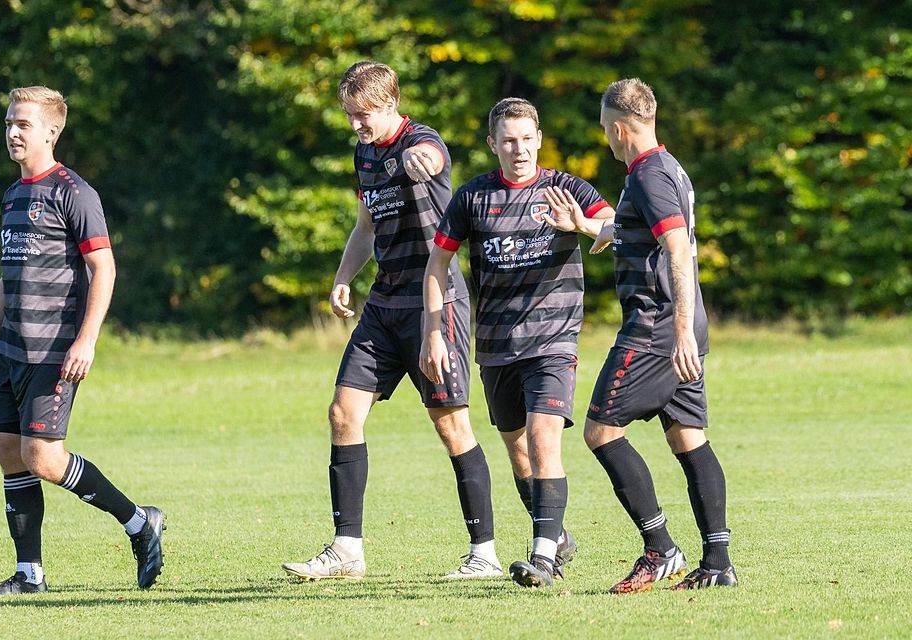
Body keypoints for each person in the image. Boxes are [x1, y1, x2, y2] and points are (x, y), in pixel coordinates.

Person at [282, 61, 501, 581]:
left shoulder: (421, 140)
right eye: (349, 116)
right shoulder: (364, 152)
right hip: (383, 304)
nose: (355, 124)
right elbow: (365, 224)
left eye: (363, 115)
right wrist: (343, 276)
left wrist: (422, 162)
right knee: (341, 414)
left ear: (388, 104)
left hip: (436, 304)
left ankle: (485, 553)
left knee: (451, 426)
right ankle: (347, 550)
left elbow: (431, 156)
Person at [0, 86, 165, 596]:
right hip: (11, 349)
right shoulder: (13, 196)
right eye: (9, 121)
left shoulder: (74, 192)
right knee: (9, 450)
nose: (12, 131)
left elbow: (104, 266)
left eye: (23, 124)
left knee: (45, 459)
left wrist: (87, 340)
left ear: (51, 132)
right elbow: (8, 280)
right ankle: (29, 575)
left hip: (53, 351)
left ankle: (140, 521)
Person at [422, 97, 615, 588]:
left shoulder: (566, 188)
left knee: (545, 438)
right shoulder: (471, 198)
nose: (520, 149)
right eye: (509, 140)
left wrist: (583, 225)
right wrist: (434, 329)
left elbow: (615, 226)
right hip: (494, 345)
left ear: (539, 140)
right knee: (519, 451)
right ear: (493, 144)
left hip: (553, 340)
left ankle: (543, 557)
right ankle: (558, 536)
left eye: (527, 139)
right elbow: (437, 265)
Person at [585, 77, 737, 592]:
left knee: (601, 432)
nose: (606, 138)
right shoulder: (668, 168)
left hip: (656, 326)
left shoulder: (647, 175)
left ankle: (660, 548)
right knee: (688, 437)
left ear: (622, 128)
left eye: (607, 129)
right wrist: (587, 228)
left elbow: (675, 248)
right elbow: (644, 235)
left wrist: (677, 333)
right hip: (683, 324)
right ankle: (718, 564)